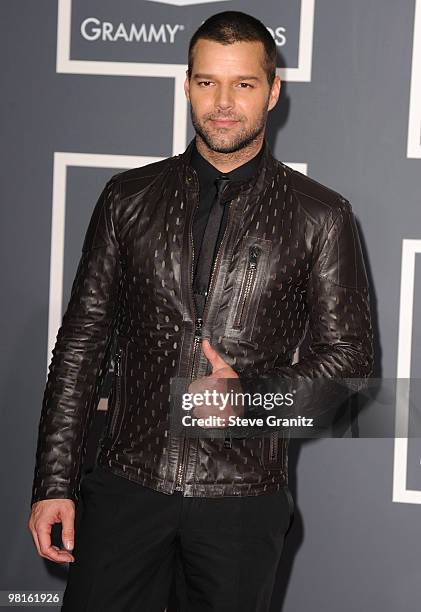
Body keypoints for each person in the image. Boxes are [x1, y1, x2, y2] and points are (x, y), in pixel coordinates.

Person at [28, 10, 374, 612]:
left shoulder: (322, 216)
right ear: (186, 84)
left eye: (243, 84)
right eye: (208, 81)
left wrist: (253, 397)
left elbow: (353, 363)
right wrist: (54, 482)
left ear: (273, 92)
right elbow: (81, 345)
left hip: (241, 504)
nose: (223, 102)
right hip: (125, 487)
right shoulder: (127, 199)